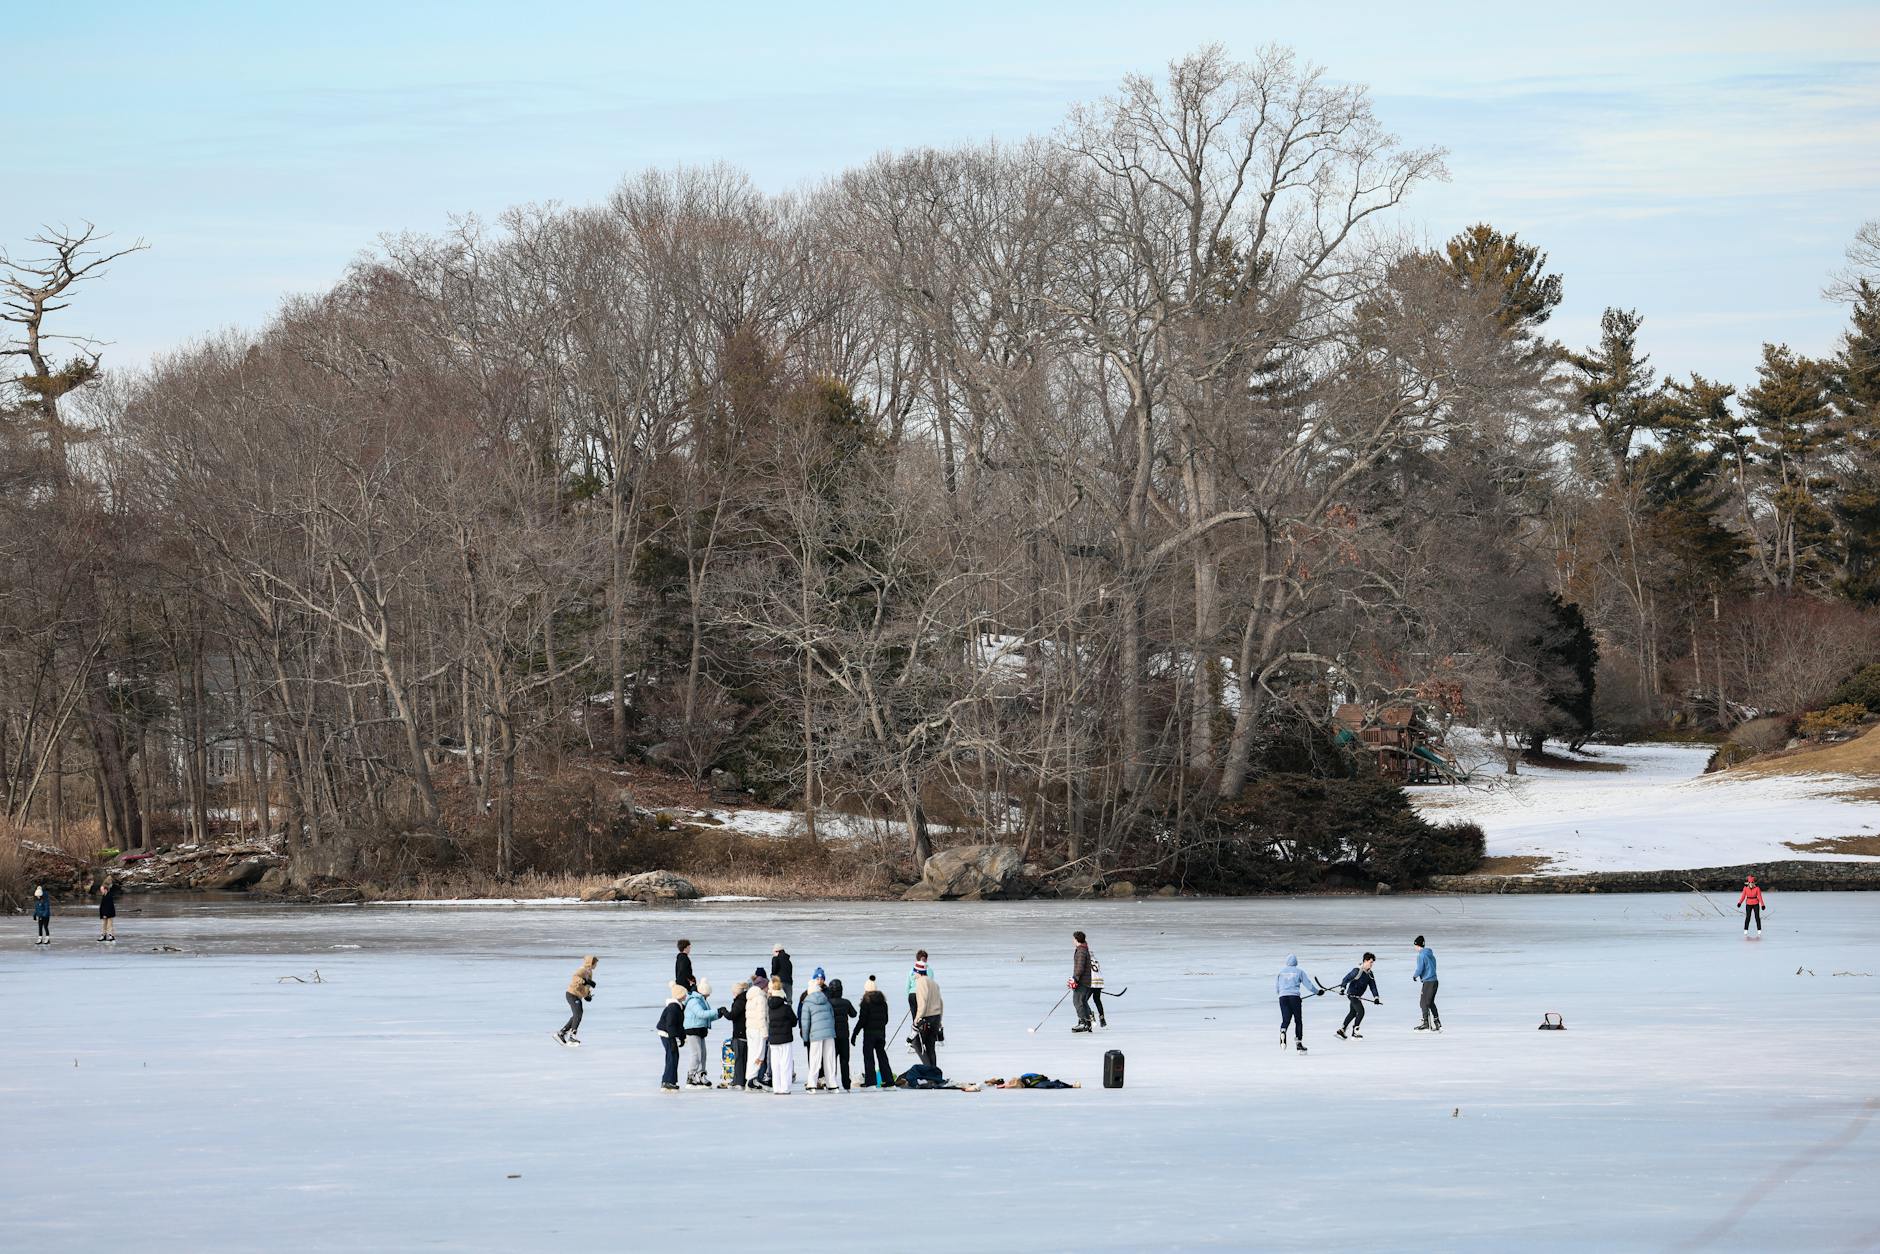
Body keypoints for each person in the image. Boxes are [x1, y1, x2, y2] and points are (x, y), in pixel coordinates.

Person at [799, 970, 838, 1091]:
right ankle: (832, 1084)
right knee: (829, 1059)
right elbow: (832, 1017)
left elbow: (805, 1023)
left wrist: (805, 1038)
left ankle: (812, 1083)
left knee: (815, 1059)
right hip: (829, 1034)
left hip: (816, 1035)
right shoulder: (826, 1000)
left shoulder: (807, 1003)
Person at [855, 975, 895, 1089]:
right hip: (881, 1034)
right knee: (882, 1056)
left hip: (869, 1034)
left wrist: (855, 1032)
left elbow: (862, 1020)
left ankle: (871, 1081)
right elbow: (886, 1019)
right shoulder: (883, 1002)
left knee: (869, 1057)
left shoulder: (866, 1002)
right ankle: (889, 1080)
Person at [1275, 954, 1322, 1052]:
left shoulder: (1280, 972)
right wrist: (1317, 992)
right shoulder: (1299, 971)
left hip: (1283, 998)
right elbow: (1308, 985)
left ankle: (1283, 1030)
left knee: (1286, 1019)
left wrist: (1283, 994)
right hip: (1294, 998)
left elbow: (1277, 988)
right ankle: (1299, 1043)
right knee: (1298, 1020)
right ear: (1296, 962)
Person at [1335, 953, 1380, 1040]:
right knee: (1361, 1012)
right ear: (1365, 961)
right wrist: (1342, 988)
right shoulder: (1357, 970)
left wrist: (1376, 997)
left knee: (1353, 1013)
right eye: (1370, 962)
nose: (1372, 964)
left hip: (1358, 996)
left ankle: (1342, 1030)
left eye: (1372, 963)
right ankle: (1355, 1032)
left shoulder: (1370, 974)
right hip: (1352, 994)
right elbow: (1346, 979)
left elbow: (1373, 986)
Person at [766, 977, 799, 1095]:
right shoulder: (786, 1007)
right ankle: (785, 1088)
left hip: (773, 1039)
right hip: (785, 1039)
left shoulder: (770, 1007)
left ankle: (777, 1087)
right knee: (785, 1063)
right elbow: (794, 1022)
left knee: (775, 1064)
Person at [682, 980, 716, 1086]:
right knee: (696, 1054)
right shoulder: (694, 1001)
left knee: (703, 1054)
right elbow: (701, 1014)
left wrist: (719, 1014)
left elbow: (707, 1016)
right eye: (707, 994)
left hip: (700, 1029)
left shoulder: (702, 1000)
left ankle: (701, 1075)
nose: (708, 996)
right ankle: (691, 1076)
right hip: (692, 1029)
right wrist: (716, 1011)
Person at [558, 955, 597, 1046]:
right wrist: (584, 981)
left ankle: (562, 1033)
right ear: (590, 963)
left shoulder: (589, 972)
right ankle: (572, 1036)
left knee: (577, 1015)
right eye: (595, 963)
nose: (596, 965)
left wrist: (587, 995)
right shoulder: (583, 970)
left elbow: (585, 987)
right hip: (572, 994)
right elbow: (575, 977)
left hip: (577, 996)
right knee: (578, 1014)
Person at [744, 970, 773, 1090]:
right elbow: (761, 1017)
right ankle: (752, 1078)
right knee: (759, 1055)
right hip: (758, 1030)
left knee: (752, 1054)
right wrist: (765, 1032)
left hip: (750, 1029)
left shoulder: (751, 997)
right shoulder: (760, 998)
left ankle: (750, 1078)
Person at [826, 977, 857, 1090]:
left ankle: (832, 1082)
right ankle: (846, 1083)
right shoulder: (846, 1002)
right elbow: (854, 1014)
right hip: (844, 1035)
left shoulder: (827, 1003)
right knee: (844, 1060)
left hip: (832, 1036)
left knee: (832, 1060)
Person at [912, 963, 944, 1069]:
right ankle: (934, 1072)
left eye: (914, 972)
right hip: (936, 1017)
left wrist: (917, 1019)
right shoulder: (933, 983)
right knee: (930, 1047)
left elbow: (923, 1002)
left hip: (927, 1018)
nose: (913, 974)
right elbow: (940, 1002)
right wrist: (940, 1020)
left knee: (916, 1043)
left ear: (918, 972)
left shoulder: (921, 982)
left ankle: (929, 1070)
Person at [720, 979, 752, 1087]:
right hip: (745, 1033)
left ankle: (739, 1081)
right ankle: (743, 1079)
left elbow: (732, 1015)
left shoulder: (739, 1001)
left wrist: (723, 1011)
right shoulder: (746, 999)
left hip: (739, 1033)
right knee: (744, 1058)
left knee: (739, 1058)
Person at [656, 983, 686, 1090]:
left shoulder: (678, 1007)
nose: (686, 995)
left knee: (674, 1056)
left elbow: (679, 1025)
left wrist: (682, 1037)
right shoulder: (673, 1008)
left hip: (669, 1033)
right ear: (679, 995)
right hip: (666, 1034)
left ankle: (671, 1080)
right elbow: (670, 1025)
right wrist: (673, 1040)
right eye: (684, 994)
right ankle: (667, 1081)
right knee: (672, 1056)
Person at [1413, 936, 1441, 1031]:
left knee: (1423, 1003)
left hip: (1428, 982)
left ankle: (1426, 1023)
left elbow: (1420, 968)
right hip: (1434, 981)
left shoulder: (1421, 955)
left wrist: (1415, 975)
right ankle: (1437, 1022)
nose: (1414, 947)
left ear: (1417, 945)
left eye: (1415, 945)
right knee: (1430, 1002)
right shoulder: (1430, 954)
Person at [1070, 931, 1095, 1033]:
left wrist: (1075, 979)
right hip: (1085, 980)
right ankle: (1088, 1023)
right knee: (1083, 1002)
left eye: (1073, 939)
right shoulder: (1083, 949)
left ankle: (1083, 1023)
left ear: (1076, 939)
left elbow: (1080, 967)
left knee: (1077, 1001)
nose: (1072, 941)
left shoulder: (1081, 951)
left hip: (1082, 981)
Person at [906, 951, 931, 1050]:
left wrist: (910, 997)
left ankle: (915, 1041)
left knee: (916, 1020)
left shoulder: (911, 971)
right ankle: (921, 1042)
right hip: (920, 995)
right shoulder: (928, 970)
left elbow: (907, 987)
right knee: (922, 1020)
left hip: (912, 995)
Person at [98, 877, 119, 943]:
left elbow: (109, 906)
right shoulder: (104, 896)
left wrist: (105, 914)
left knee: (109, 925)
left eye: (102, 890)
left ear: (105, 889)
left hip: (109, 913)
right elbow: (102, 906)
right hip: (104, 913)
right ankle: (103, 935)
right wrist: (102, 914)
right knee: (103, 925)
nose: (101, 891)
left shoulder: (109, 896)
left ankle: (111, 936)